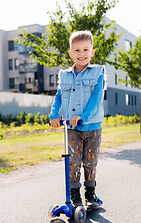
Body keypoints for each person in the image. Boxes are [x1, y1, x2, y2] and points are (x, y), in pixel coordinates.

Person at [49, 30, 106, 209]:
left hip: (92, 126)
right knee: (72, 162)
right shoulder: (64, 75)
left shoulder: (98, 72)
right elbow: (59, 96)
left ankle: (90, 194)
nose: (81, 54)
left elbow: (96, 98)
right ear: (70, 53)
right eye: (77, 50)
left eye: (85, 50)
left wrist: (83, 116)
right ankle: (75, 196)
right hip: (71, 128)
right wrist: (54, 114)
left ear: (92, 52)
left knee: (90, 161)